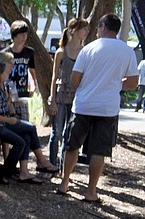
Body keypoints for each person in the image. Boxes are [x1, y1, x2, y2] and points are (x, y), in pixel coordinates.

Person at [59, 13, 139, 203]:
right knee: (98, 151)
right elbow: (134, 82)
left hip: (83, 105)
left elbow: (74, 79)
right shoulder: (127, 51)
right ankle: (91, 191)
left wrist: (87, 85)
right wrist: (117, 85)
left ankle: (64, 183)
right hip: (108, 108)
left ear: (103, 26)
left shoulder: (89, 49)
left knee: (72, 146)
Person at [48, 18, 89, 169]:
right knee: (56, 132)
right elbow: (53, 77)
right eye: (83, 29)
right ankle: (51, 164)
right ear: (74, 30)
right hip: (60, 95)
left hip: (77, 97)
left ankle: (63, 167)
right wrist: (52, 99)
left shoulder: (85, 52)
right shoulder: (61, 52)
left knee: (69, 133)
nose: (86, 32)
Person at [2, 20, 38, 123]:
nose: (24, 37)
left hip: (22, 94)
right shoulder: (5, 53)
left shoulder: (30, 52)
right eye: (21, 34)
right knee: (10, 122)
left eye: (25, 34)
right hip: (8, 94)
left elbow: (31, 69)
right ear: (14, 35)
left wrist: (33, 85)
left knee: (24, 123)